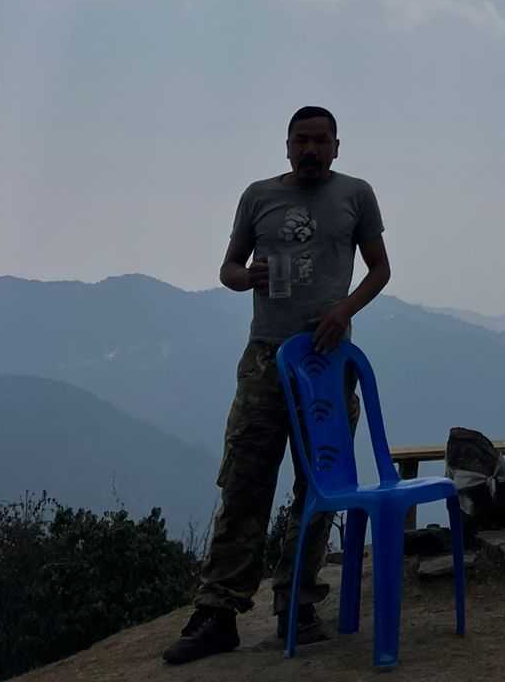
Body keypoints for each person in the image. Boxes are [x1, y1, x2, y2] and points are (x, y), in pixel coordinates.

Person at [163, 106, 390, 665]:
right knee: (245, 481)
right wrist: (246, 278)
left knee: (319, 487)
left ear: (337, 146)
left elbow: (381, 268)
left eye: (321, 141)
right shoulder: (258, 196)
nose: (311, 149)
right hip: (266, 360)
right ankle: (218, 611)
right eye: (301, 141)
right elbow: (228, 269)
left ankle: (298, 604)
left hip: (326, 364)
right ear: (286, 146)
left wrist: (344, 308)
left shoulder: (356, 194)